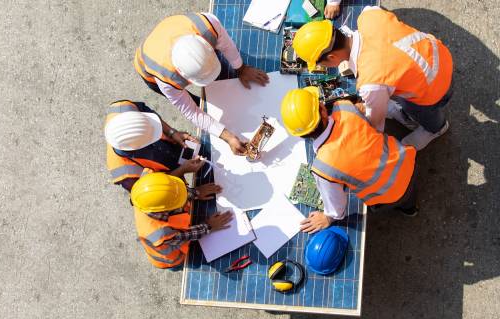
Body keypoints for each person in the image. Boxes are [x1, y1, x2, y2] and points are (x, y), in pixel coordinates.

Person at [291, 7, 453, 150]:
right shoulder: (368, 15)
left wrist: (363, 112)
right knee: (393, 87)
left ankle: (436, 128)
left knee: (421, 110)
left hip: (434, 87)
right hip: (439, 55)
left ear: (332, 57)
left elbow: (376, 125)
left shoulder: (371, 83)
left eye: (320, 63)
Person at [280, 87, 418, 234]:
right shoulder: (344, 107)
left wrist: (328, 218)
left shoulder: (323, 168)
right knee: (409, 194)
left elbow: (337, 207)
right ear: (323, 109)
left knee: (402, 197)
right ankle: (411, 209)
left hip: (390, 193)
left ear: (300, 136)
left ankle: (408, 208)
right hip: (407, 158)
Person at [134, 12, 269, 156]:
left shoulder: (207, 26)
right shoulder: (167, 79)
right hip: (148, 64)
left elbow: (227, 45)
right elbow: (191, 111)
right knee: (199, 105)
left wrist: (241, 68)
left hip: (172, 30)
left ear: (208, 46)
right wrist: (228, 136)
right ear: (184, 76)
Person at [130, 172, 232, 268]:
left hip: (175, 230)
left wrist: (196, 192)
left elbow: (170, 190)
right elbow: (189, 234)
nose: (184, 200)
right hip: (172, 258)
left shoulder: (148, 184)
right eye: (180, 201)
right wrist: (209, 226)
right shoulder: (161, 234)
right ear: (165, 209)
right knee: (186, 261)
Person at [104, 100, 205, 191]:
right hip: (167, 179)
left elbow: (148, 113)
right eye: (151, 135)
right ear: (138, 147)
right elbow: (156, 189)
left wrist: (172, 133)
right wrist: (183, 171)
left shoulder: (122, 108)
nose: (158, 132)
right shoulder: (127, 176)